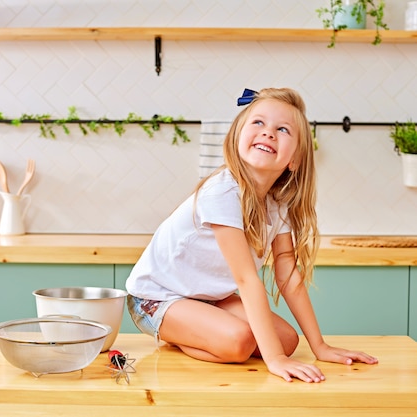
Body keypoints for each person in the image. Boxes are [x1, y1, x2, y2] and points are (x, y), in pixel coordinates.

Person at [125, 87, 378, 383]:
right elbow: (246, 279)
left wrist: (319, 346)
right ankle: (184, 337)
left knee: (286, 340)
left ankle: (201, 330)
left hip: (209, 298)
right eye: (258, 123)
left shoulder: (276, 200)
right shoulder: (222, 191)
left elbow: (287, 274)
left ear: (294, 159)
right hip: (156, 299)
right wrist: (274, 360)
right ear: (237, 137)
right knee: (241, 342)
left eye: (282, 129)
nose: (268, 133)